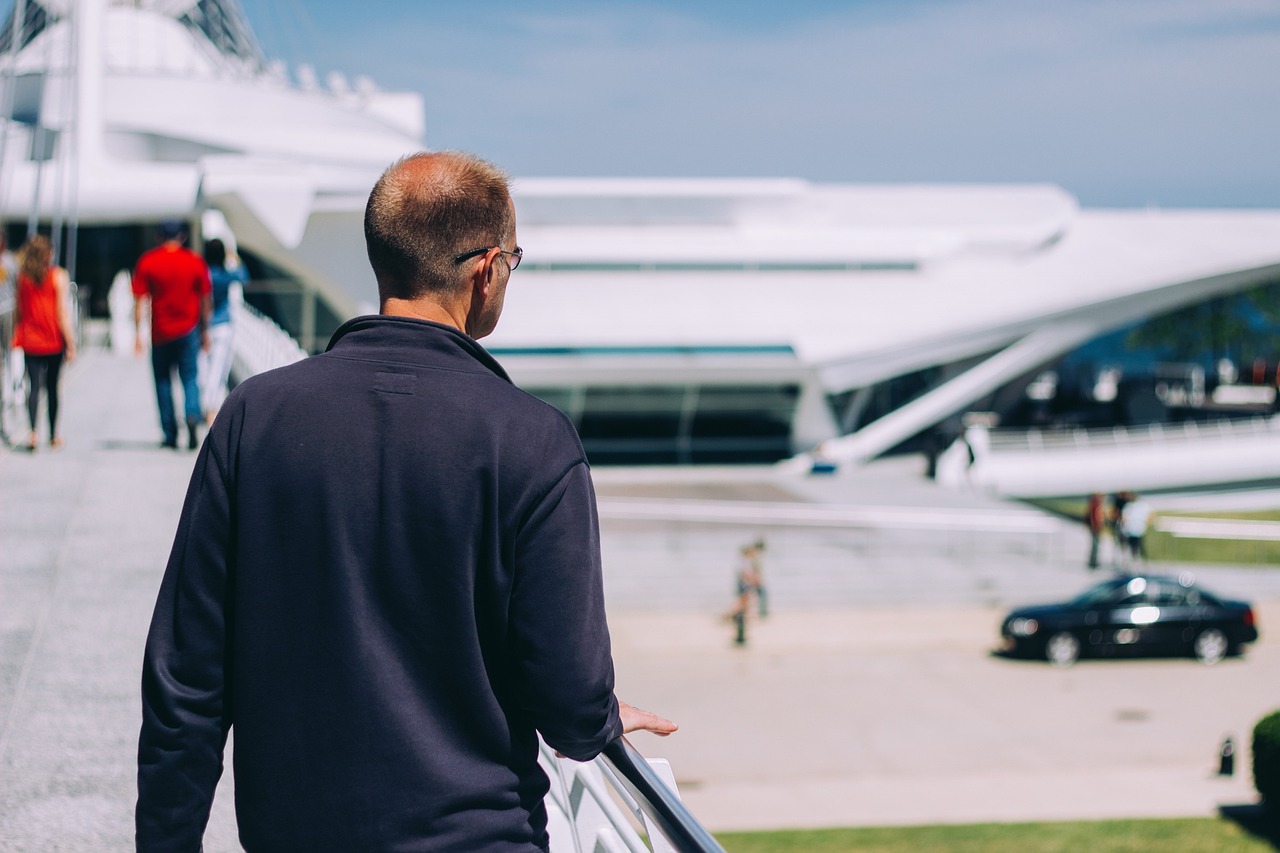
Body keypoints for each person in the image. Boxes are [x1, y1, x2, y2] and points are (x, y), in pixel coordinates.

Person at [136, 151, 676, 852]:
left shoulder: (253, 417)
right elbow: (571, 702)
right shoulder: (533, 440)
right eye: (513, 259)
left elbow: (185, 681)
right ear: (487, 269)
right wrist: (601, 718)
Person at [132, 220, 211, 449]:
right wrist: (205, 331)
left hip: (160, 333)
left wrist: (138, 333)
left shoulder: (148, 261)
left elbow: (140, 300)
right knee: (190, 378)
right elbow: (205, 300)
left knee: (163, 382)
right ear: (183, 236)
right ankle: (193, 414)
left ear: (159, 237)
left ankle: (170, 433)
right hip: (188, 330)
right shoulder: (195, 262)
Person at [12, 234, 75, 450]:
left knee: (33, 387)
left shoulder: (23, 278)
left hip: (30, 339)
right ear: (48, 253)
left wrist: (16, 334)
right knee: (52, 387)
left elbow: (19, 311)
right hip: (53, 340)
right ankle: (53, 434)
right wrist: (71, 342)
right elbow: (62, 313)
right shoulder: (58, 276)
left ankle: (32, 433)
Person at [196, 238, 247, 424]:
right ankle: (211, 408)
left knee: (203, 368)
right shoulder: (224, 275)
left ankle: (204, 405)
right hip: (223, 325)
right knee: (218, 370)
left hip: (202, 326)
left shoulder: (204, 274)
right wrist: (234, 257)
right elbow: (243, 276)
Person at [1120, 492, 1154, 565]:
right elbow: (1124, 518)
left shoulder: (1141, 505)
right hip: (1132, 530)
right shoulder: (1128, 506)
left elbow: (1151, 514)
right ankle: (1136, 560)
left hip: (1138, 529)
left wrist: (1146, 523)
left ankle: (1141, 561)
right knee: (1134, 546)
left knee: (1139, 546)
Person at [1085, 492, 1106, 569]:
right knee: (1095, 544)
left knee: (1095, 544)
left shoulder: (1093, 504)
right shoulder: (1096, 504)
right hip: (1096, 527)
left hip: (1095, 527)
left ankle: (1093, 561)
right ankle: (1093, 562)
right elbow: (1096, 517)